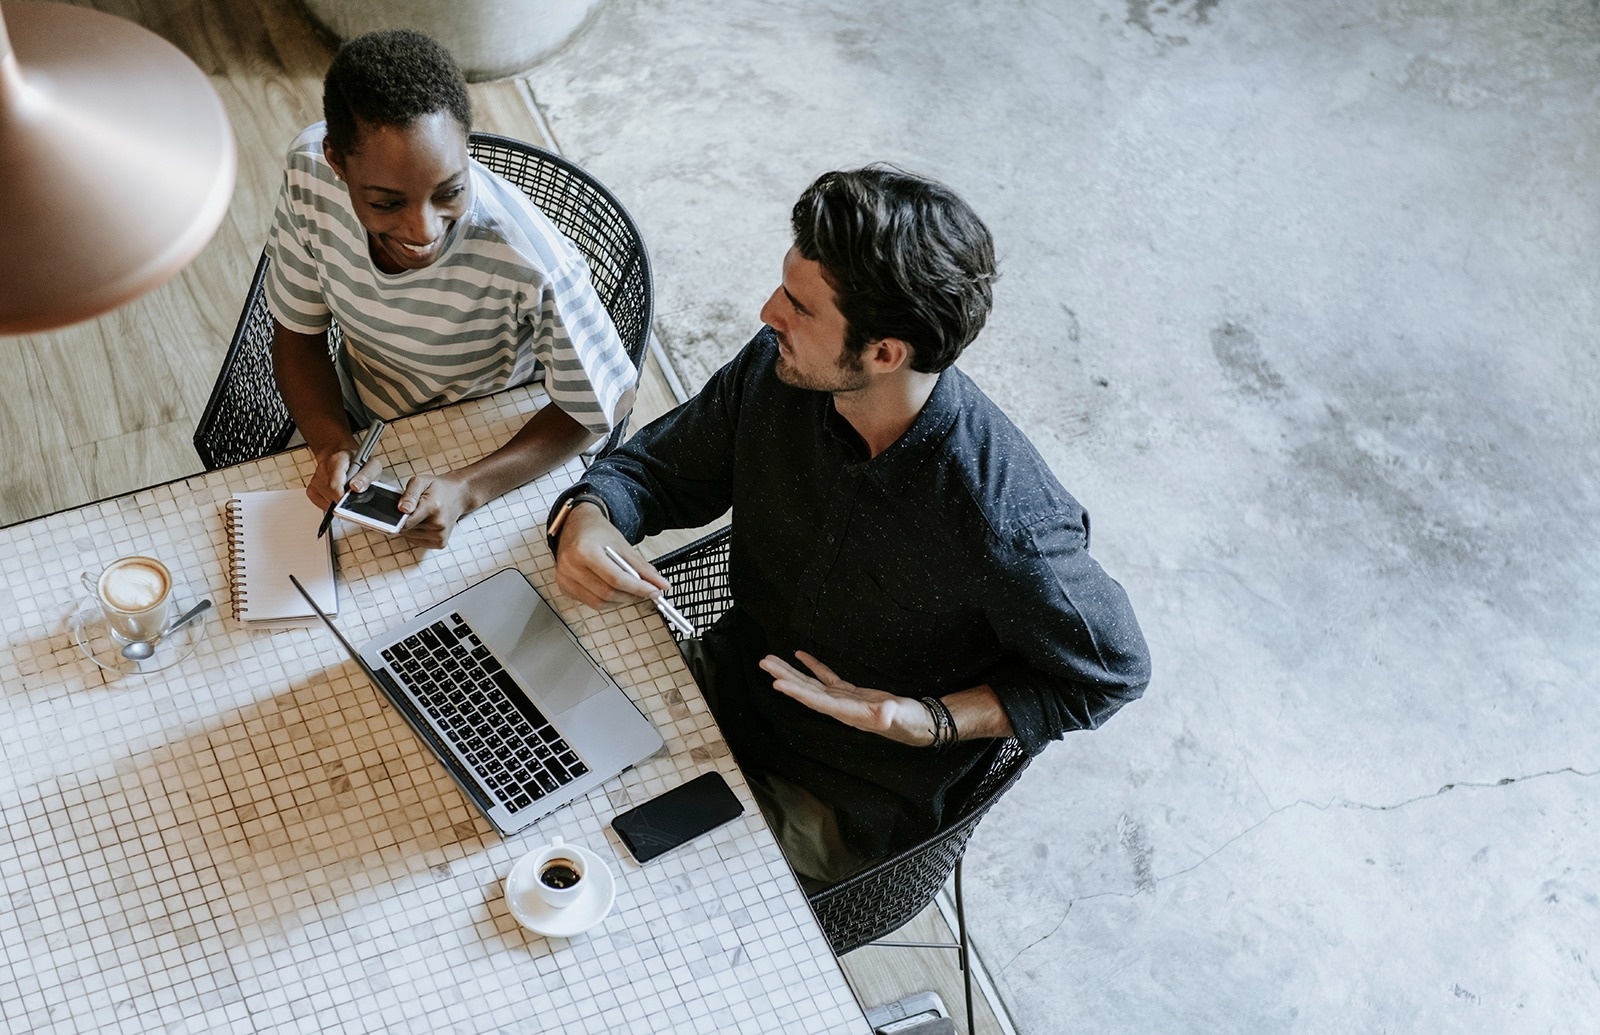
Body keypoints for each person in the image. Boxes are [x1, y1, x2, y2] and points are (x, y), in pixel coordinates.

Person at [548, 166, 1151, 887]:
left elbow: (1113, 672)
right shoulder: (782, 370)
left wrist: (924, 719)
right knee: (534, 790)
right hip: (721, 690)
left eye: (800, 307)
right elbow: (658, 471)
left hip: (843, 794)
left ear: (885, 353)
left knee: (640, 905)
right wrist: (588, 514)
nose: (769, 311)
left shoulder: (1005, 521)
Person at [265, 29, 636, 549]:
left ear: (466, 147)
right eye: (386, 203)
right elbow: (297, 335)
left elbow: (606, 403)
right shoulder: (308, 173)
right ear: (336, 161)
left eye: (450, 191)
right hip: (363, 425)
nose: (423, 230)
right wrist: (331, 444)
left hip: (489, 445)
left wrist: (468, 489)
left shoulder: (533, 263)